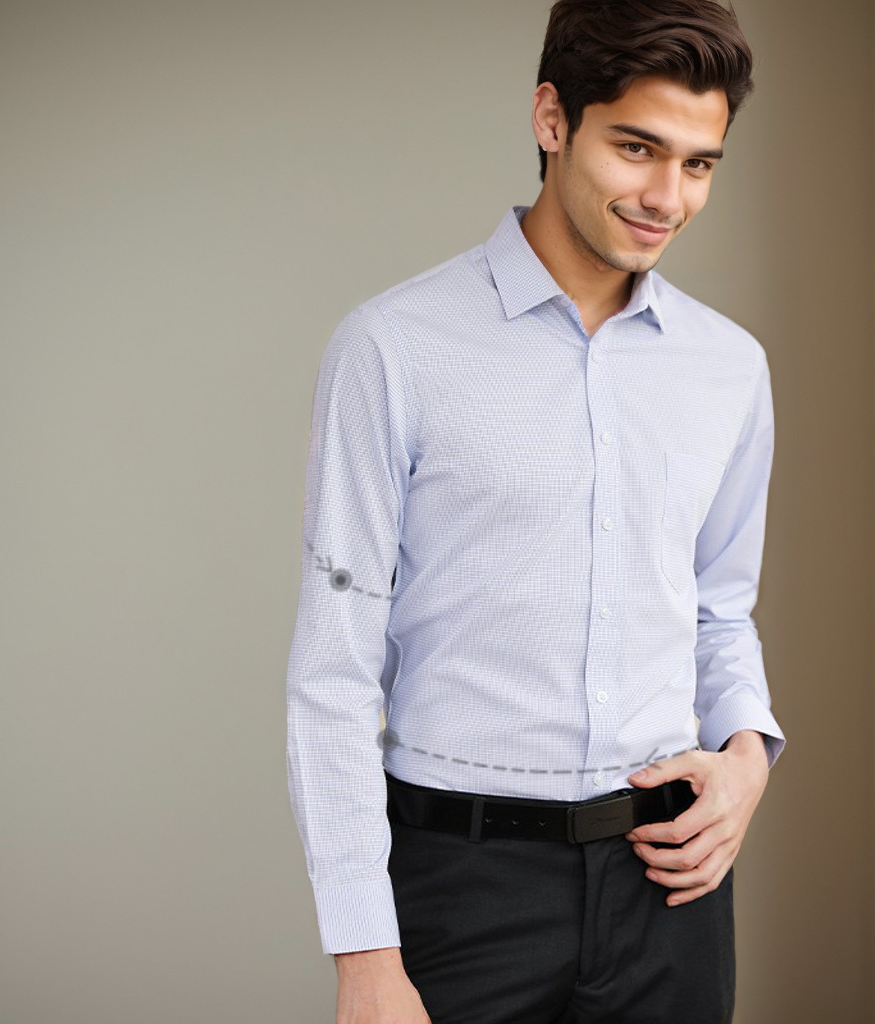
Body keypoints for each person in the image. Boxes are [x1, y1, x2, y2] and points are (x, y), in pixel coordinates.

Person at [285, 1, 786, 1021]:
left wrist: (747, 758)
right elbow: (333, 671)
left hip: (670, 892)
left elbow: (718, 611)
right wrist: (363, 952)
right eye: (637, 148)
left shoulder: (730, 368)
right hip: (463, 889)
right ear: (552, 119)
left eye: (698, 164)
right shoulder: (395, 347)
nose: (667, 197)